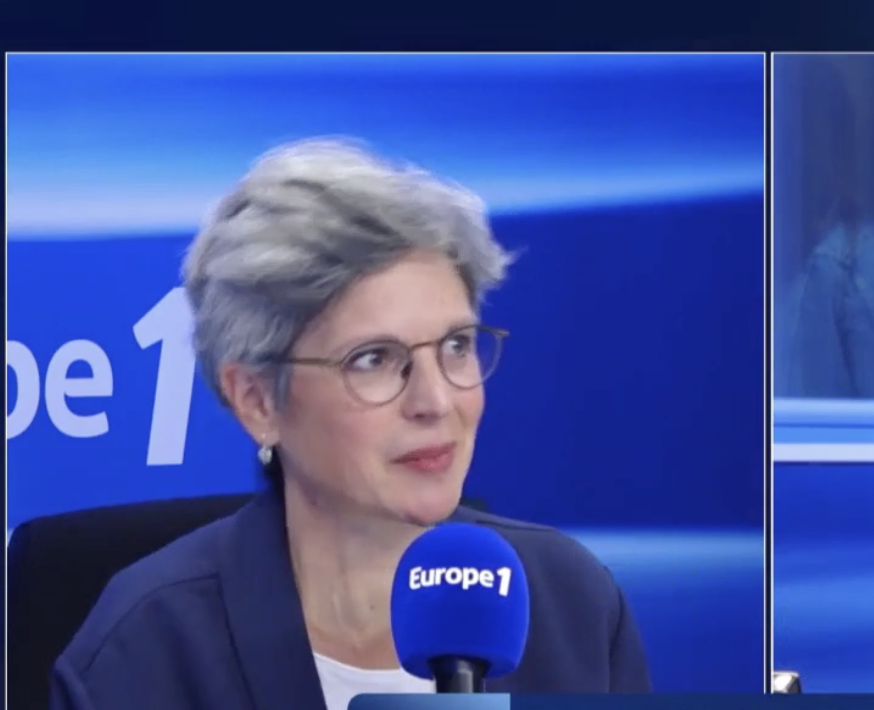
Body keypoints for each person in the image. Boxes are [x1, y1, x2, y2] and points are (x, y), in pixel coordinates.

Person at [52, 139, 653, 710]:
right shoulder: (147, 650)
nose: (436, 400)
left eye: (456, 345)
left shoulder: (570, 602)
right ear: (257, 401)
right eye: (373, 360)